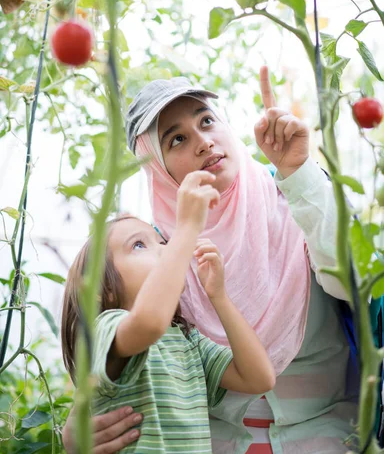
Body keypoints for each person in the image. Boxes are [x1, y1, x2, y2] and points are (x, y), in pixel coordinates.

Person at [63, 67, 358, 454]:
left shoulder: (300, 197)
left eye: (207, 121)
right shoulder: (163, 251)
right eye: (177, 140)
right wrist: (76, 425)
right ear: (157, 169)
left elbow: (354, 281)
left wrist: (300, 173)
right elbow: (122, 354)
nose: (203, 142)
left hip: (330, 436)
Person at [61, 171, 275, 453]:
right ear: (104, 290)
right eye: (139, 245)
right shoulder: (105, 329)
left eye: (163, 242)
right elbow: (149, 324)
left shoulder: (189, 343)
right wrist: (186, 227)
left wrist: (218, 297)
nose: (165, 250)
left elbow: (259, 377)